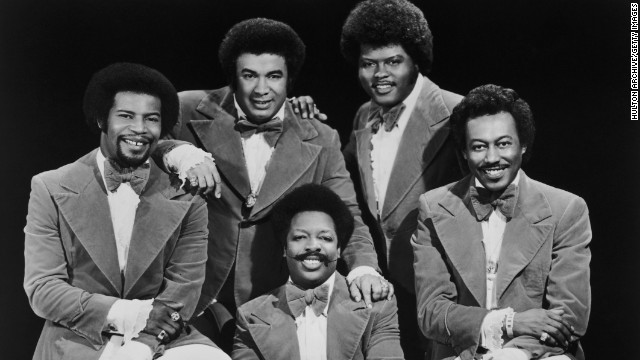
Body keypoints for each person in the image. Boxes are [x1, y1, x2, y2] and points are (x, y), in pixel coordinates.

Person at [153, 18, 389, 352]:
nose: (262, 89)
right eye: (249, 75)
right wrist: (177, 150)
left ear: (289, 78)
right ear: (234, 76)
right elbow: (140, 141)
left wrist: (365, 267)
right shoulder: (187, 108)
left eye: (273, 76)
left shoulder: (322, 137)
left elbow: (347, 214)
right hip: (194, 300)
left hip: (275, 305)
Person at [23, 63, 229, 360]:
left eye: (152, 119)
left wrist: (144, 344)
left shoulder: (188, 196)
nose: (140, 129)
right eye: (126, 116)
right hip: (79, 336)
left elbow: (184, 289)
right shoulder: (50, 187)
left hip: (163, 335)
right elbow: (43, 289)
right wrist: (130, 313)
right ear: (100, 119)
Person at [413, 84, 591, 360]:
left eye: (503, 143)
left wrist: (514, 355)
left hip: (540, 355)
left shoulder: (566, 209)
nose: (492, 158)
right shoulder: (433, 207)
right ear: (463, 152)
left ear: (523, 145)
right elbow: (431, 313)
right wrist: (508, 322)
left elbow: (570, 316)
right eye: (479, 147)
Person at [340, 0, 464, 357]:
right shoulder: (364, 115)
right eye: (368, 64)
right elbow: (341, 180)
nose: (380, 74)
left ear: (415, 60)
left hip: (444, 291)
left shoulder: (458, 113)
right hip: (384, 290)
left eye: (393, 61)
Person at [233, 184, 404, 360]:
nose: (313, 246)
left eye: (325, 238)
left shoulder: (377, 308)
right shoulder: (251, 317)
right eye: (300, 237)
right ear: (284, 248)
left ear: (339, 249)